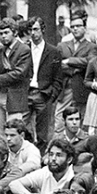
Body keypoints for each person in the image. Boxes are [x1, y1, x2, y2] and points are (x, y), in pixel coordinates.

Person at [0, 17, 32, 139]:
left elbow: (19, 73)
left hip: (15, 98)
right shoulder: (0, 51)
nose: (3, 36)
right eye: (1, 33)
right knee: (0, 136)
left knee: (14, 135)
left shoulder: (24, 49)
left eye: (6, 33)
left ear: (15, 33)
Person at [25, 16, 65, 149]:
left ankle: (41, 157)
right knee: (23, 129)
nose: (33, 33)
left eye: (36, 29)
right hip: (25, 94)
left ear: (43, 30)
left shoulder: (53, 51)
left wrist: (51, 95)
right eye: (30, 29)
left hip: (43, 94)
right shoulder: (24, 49)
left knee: (43, 133)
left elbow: (58, 77)